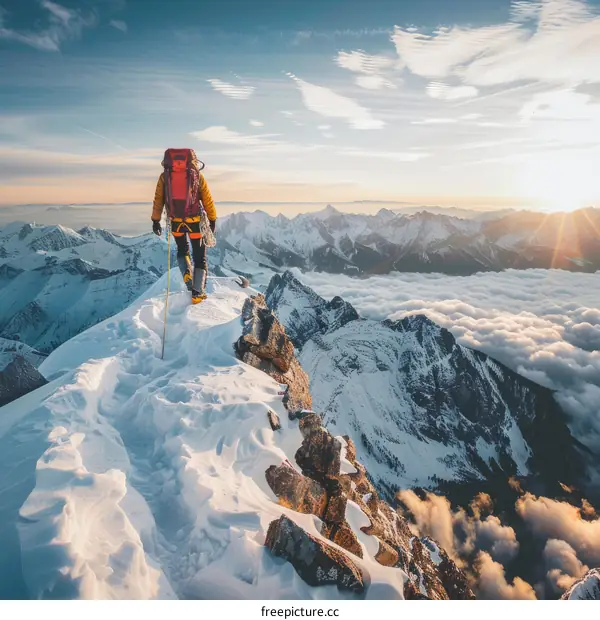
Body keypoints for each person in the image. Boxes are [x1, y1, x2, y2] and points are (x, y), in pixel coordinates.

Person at [151, 149, 217, 304]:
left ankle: (187, 274)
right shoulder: (197, 176)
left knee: (182, 249)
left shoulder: (164, 177)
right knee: (200, 257)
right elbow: (207, 199)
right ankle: (197, 292)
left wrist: (155, 220)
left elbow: (158, 200)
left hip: (175, 222)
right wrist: (212, 219)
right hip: (195, 223)